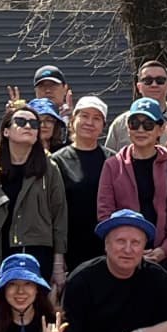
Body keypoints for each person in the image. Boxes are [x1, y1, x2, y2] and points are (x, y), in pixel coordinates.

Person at [0, 100, 69, 295]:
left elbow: (59, 216)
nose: (29, 126)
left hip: (39, 255)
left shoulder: (49, 168)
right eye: (21, 122)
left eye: (34, 124)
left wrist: (58, 263)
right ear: (6, 131)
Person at [96, 97, 167, 270]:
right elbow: (105, 214)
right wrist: (128, 250)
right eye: (135, 123)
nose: (141, 130)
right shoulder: (112, 165)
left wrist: (164, 250)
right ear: (128, 128)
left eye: (148, 124)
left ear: (160, 129)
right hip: (124, 258)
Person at [52, 97, 110, 273]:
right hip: (70, 249)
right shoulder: (57, 161)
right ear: (73, 120)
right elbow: (53, 211)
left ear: (103, 126)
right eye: (84, 116)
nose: (89, 122)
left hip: (105, 249)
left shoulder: (112, 161)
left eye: (96, 118)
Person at [104, 60, 167, 150]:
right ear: (139, 87)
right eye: (147, 80)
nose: (154, 85)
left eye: (160, 80)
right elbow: (109, 158)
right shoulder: (120, 124)